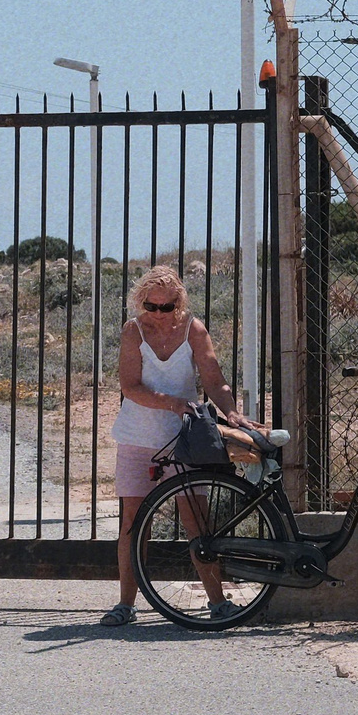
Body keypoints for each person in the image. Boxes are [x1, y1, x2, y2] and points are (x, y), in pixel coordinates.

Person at [102, 265, 252, 626]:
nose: (158, 314)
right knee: (133, 523)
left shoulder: (193, 330)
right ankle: (125, 604)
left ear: (179, 303)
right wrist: (173, 402)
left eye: (166, 307)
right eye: (150, 306)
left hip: (185, 439)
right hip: (138, 437)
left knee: (197, 521)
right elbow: (130, 387)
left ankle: (218, 603)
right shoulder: (133, 331)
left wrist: (232, 414)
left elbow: (214, 380)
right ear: (141, 302)